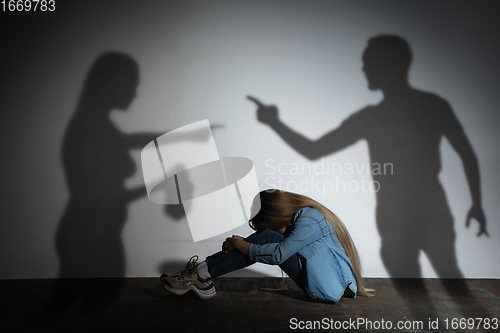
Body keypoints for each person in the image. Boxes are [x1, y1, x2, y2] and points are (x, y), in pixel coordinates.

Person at [160, 189, 369, 303]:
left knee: (267, 237)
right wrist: (241, 245)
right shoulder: (307, 216)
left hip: (325, 289)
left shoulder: (310, 219)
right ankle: (201, 274)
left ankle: (201, 275)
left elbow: (278, 255)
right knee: (265, 238)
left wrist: (239, 245)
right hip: (325, 284)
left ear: (277, 216)